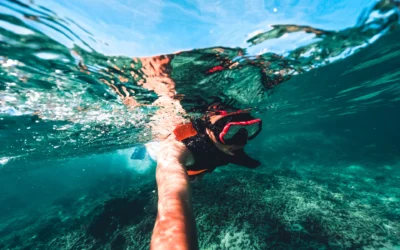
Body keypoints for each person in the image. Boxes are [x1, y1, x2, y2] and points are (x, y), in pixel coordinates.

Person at [148, 107, 262, 249]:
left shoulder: (229, 144)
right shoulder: (176, 148)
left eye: (249, 129)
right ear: (208, 128)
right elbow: (173, 198)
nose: (242, 142)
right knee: (192, 177)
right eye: (230, 131)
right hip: (185, 162)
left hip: (215, 155)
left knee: (250, 163)